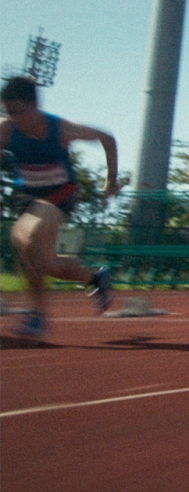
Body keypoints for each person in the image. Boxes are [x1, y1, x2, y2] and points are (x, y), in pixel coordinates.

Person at [2, 76, 118, 339]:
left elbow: (106, 137)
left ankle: (37, 317)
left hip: (60, 193)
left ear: (35, 105)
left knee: (27, 234)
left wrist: (110, 179)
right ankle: (95, 278)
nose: (15, 118)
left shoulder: (61, 129)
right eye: (10, 113)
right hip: (26, 196)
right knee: (45, 261)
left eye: (20, 112)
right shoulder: (6, 129)